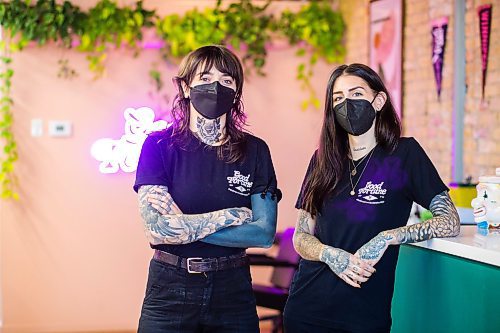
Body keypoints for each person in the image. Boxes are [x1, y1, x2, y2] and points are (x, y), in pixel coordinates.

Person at [283, 63, 460, 333]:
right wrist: (330, 255)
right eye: (338, 98)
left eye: (356, 95)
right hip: (307, 306)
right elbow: (301, 236)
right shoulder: (322, 160)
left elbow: (450, 220)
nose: (347, 104)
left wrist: (387, 237)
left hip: (364, 313)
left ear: (378, 101)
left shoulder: (405, 154)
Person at [133, 45, 281, 333]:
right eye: (205, 78)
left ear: (236, 92)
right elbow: (156, 229)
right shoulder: (159, 146)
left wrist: (182, 225)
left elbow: (263, 234)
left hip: (232, 289)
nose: (215, 86)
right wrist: (232, 214)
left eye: (227, 81)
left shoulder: (255, 151)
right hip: (170, 286)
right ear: (186, 87)